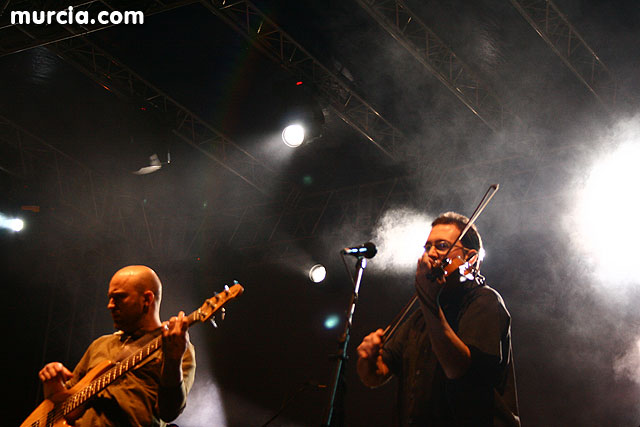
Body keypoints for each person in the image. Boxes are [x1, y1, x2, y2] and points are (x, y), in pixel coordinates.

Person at [356, 212, 519, 426]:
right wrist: (367, 360)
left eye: (442, 246)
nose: (431, 254)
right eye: (427, 247)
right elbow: (375, 376)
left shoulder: (484, 301)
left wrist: (428, 299)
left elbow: (458, 369)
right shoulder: (421, 317)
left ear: (470, 258)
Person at [38, 265, 196, 426]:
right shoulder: (99, 345)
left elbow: (169, 412)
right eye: (110, 298)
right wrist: (53, 384)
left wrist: (173, 360)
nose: (110, 305)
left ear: (147, 299)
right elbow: (66, 408)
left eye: (119, 297)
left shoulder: (176, 347)